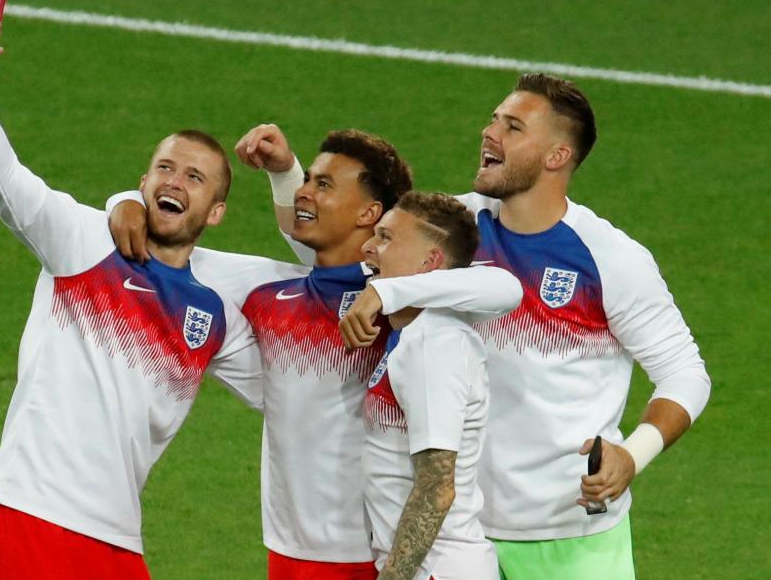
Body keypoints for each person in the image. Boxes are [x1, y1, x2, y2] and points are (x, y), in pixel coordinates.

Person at [339, 73, 712, 579]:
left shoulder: (610, 259)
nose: (490, 133)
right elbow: (352, 252)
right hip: (459, 536)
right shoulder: (454, 232)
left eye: (513, 127)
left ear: (556, 157)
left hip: (570, 537)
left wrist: (634, 453)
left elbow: (685, 373)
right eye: (494, 120)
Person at [107, 125, 522, 579]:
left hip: (371, 553)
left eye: (322, 184)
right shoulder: (270, 287)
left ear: (371, 213)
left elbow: (501, 285)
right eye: (307, 180)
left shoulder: (399, 297)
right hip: (286, 549)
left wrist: (388, 295)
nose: (305, 192)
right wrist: (126, 199)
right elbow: (164, 243)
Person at [0, 4, 267, 580]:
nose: (174, 181)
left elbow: (293, 391)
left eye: (194, 178)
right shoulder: (82, 242)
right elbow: (3, 181)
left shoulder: (214, 309)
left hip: (114, 537)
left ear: (215, 212)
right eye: (164, 168)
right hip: (28, 512)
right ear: (143, 181)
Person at [360, 191, 498, 580]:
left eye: (386, 238)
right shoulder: (409, 335)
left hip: (436, 569)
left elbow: (437, 489)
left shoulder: (432, 344)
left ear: (429, 263)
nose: (368, 247)